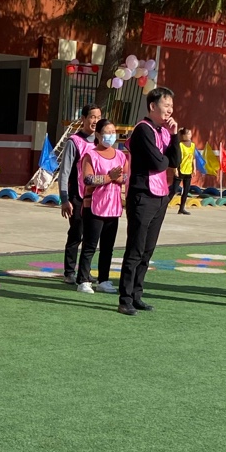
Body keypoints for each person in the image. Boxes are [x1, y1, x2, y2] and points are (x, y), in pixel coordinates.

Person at [117, 87, 180, 316]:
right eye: (166, 105)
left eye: (171, 106)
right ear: (152, 106)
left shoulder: (164, 131)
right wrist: (165, 159)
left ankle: (137, 295)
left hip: (160, 196)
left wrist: (174, 135)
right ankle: (125, 299)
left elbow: (174, 161)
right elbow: (159, 163)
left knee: (148, 250)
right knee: (135, 248)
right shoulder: (143, 130)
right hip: (142, 195)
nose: (169, 110)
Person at [76, 121, 128, 295]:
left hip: (113, 207)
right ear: (98, 134)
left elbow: (126, 176)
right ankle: (83, 280)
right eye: (107, 132)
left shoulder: (120, 155)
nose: (111, 135)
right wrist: (108, 177)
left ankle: (104, 280)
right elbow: (88, 179)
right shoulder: (90, 155)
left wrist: (119, 178)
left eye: (113, 131)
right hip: (94, 206)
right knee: (90, 245)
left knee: (108, 246)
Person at [57, 103, 102, 282]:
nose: (95, 121)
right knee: (76, 234)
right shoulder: (74, 142)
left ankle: (85, 272)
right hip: (78, 197)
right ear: (83, 119)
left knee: (92, 237)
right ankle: (69, 272)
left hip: (96, 198)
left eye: (98, 117)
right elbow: (64, 172)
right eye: (92, 117)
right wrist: (64, 199)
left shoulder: (101, 142)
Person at [174, 127, 196, 214]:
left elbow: (193, 158)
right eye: (188, 133)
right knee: (174, 190)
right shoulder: (180, 145)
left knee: (186, 191)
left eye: (190, 133)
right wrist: (175, 169)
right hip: (180, 169)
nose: (190, 135)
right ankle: (163, 205)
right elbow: (176, 158)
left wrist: (194, 168)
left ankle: (181, 208)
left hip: (188, 170)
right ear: (184, 135)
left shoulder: (192, 145)